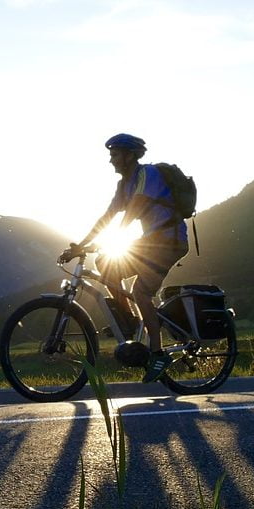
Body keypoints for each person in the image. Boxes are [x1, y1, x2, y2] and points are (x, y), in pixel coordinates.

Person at [63, 133, 190, 383]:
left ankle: (158, 353)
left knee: (140, 292)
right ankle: (130, 322)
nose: (111, 160)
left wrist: (114, 238)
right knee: (106, 264)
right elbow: (107, 216)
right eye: (111, 155)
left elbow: (135, 209)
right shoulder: (124, 185)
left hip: (169, 240)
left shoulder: (147, 175)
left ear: (130, 155)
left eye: (115, 155)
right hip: (152, 242)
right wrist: (82, 244)